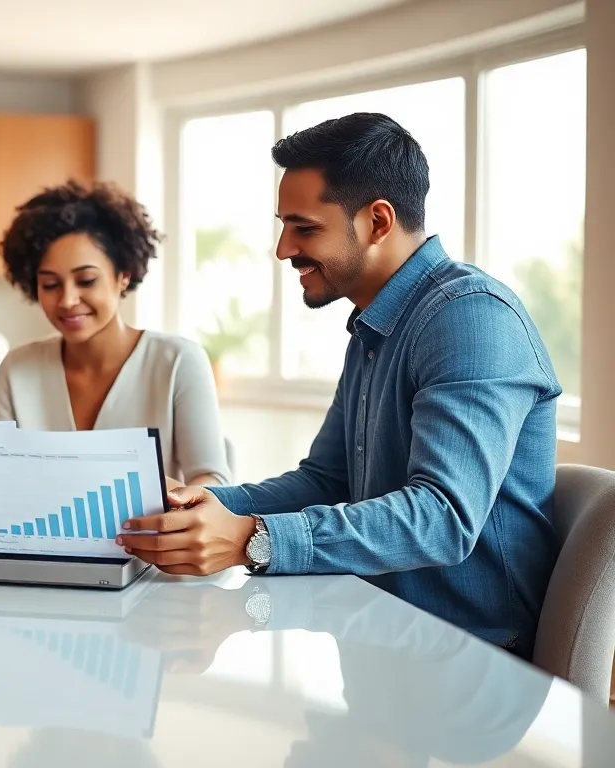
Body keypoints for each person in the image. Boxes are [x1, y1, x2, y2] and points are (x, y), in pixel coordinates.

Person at [116, 113, 561, 659]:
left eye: (304, 228)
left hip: (472, 658)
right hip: (381, 632)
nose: (283, 249)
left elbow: (443, 519)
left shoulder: (469, 320)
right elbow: (329, 480)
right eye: (284, 226)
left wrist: (250, 538)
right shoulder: (375, 328)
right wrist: (209, 503)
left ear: (377, 221)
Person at [0, 180, 230, 486]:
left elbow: (212, 479)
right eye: (50, 285)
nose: (67, 300)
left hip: (151, 533)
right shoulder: (18, 368)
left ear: (123, 276)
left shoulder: (178, 361)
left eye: (86, 280)